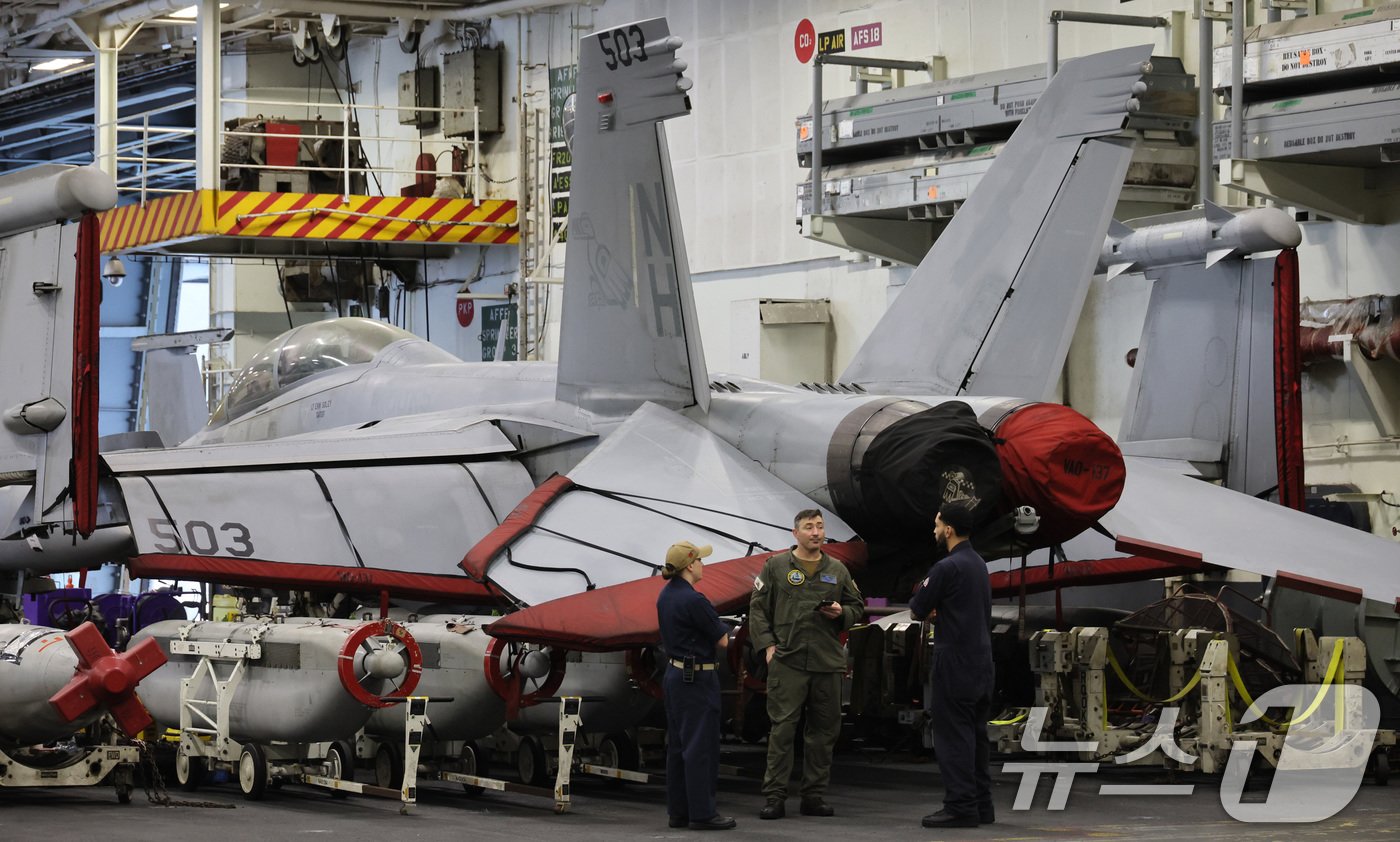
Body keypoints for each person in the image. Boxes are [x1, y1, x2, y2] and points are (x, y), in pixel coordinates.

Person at [748, 509, 863, 820]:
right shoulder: (776, 566)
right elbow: (757, 609)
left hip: (826, 662)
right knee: (782, 731)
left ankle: (813, 796)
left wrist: (842, 612)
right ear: (795, 532)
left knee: (823, 733)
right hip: (788, 661)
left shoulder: (837, 570)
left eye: (820, 526)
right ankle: (775, 797)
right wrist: (767, 646)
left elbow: (858, 606)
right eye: (809, 527)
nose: (816, 532)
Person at [909, 499, 995, 828]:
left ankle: (960, 806)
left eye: (937, 524)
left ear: (949, 529)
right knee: (975, 736)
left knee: (953, 736)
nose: (934, 529)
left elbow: (918, 607)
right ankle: (981, 806)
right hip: (982, 660)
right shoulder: (978, 564)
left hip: (955, 660)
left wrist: (932, 606)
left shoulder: (946, 567)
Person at [656, 540, 737, 831]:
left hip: (675, 676)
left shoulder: (665, 596)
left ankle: (679, 812)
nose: (703, 564)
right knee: (700, 747)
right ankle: (702, 814)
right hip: (697, 679)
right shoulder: (695, 600)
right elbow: (724, 640)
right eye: (700, 560)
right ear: (690, 565)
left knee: (678, 747)